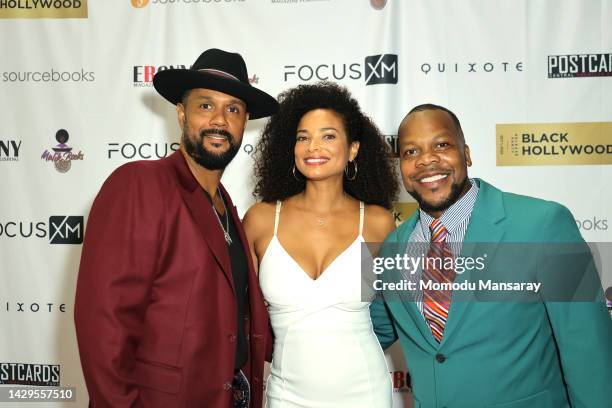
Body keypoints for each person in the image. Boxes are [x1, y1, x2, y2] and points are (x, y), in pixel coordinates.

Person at [370, 104, 612, 407]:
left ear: (467, 153)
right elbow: (367, 332)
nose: (427, 160)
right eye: (411, 152)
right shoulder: (394, 246)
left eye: (441, 145)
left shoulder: (543, 223)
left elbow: (588, 349)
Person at [74, 48, 278, 408]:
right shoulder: (139, 184)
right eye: (205, 106)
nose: (219, 120)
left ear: (244, 122)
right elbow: (104, 324)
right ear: (181, 114)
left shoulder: (228, 207)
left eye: (233, 109)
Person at [243, 82, 399, 408]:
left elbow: (406, 313)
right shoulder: (260, 221)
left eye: (328, 136)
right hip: (286, 396)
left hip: (366, 393)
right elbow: (241, 317)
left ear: (353, 149)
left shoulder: (378, 223)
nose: (314, 146)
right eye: (303, 137)